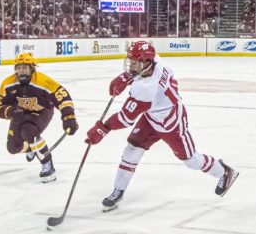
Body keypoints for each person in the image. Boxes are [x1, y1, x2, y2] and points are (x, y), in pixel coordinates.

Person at [86, 40, 237, 211]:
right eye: (131, 62)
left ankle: (223, 171)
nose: (131, 66)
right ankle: (118, 190)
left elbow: (125, 119)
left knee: (190, 160)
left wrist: (103, 128)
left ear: (147, 62)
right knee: (133, 148)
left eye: (135, 63)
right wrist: (125, 77)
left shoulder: (146, 89)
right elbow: (139, 74)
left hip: (171, 122)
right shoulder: (156, 60)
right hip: (153, 115)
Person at [0, 52, 78, 182]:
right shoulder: (7, 84)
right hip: (20, 115)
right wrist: (10, 111)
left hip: (42, 112)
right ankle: (32, 147)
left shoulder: (43, 82)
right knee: (13, 148)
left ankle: (47, 164)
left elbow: (63, 97)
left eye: (24, 67)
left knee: (29, 131)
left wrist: (69, 117)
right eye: (18, 67)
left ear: (32, 68)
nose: (21, 70)